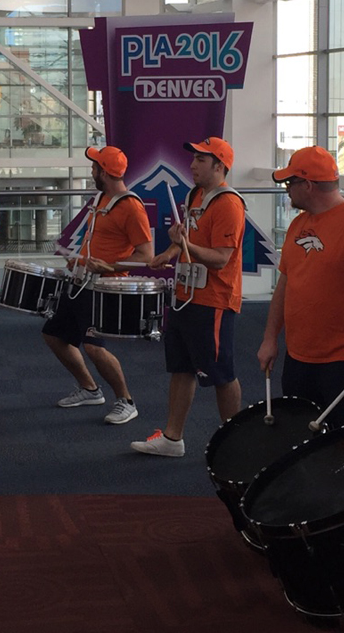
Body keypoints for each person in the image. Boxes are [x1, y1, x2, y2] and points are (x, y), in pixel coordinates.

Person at [257, 146, 344, 428]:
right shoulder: (299, 224)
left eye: (289, 183)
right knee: (302, 435)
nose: (287, 190)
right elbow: (286, 282)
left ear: (307, 185)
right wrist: (270, 338)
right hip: (300, 358)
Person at [131, 137, 245, 458]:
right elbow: (187, 237)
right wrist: (169, 251)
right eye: (193, 159)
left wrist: (184, 246)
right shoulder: (196, 195)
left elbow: (221, 258)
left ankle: (235, 442)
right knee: (181, 368)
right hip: (185, 296)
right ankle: (172, 437)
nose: (192, 165)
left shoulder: (229, 204)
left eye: (200, 160)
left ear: (220, 166)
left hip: (214, 301)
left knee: (221, 374)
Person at [42, 146, 153, 424]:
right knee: (54, 335)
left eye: (94, 168)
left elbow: (146, 255)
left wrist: (108, 267)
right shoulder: (102, 199)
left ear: (104, 172)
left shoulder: (130, 206)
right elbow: (98, 243)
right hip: (83, 282)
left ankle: (126, 401)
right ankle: (90, 389)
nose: (91, 172)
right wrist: (79, 260)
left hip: (105, 289)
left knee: (93, 346)